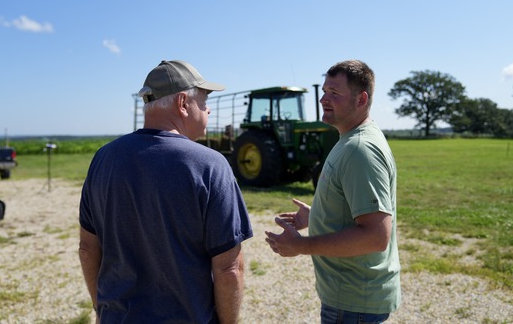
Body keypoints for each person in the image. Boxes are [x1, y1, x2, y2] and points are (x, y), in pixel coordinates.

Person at [78, 59, 253, 323]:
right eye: (204, 102)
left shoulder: (104, 158)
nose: (208, 111)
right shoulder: (210, 165)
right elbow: (229, 269)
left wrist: (102, 309)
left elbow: (88, 250)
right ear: (183, 103)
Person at [265, 60, 400, 323]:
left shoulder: (359, 149)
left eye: (334, 93)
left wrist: (301, 246)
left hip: (353, 303)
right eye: (325, 91)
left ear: (361, 99)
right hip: (349, 300)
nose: (324, 99)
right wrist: (317, 216)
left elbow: (375, 236)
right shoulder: (349, 140)